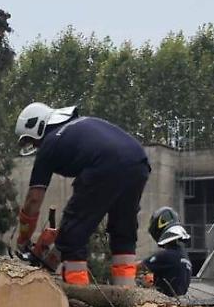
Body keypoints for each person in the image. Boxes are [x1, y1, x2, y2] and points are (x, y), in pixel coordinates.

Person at [14, 102, 150, 286]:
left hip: (105, 164)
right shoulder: (82, 124)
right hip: (138, 162)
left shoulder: (50, 142)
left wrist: (23, 240)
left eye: (32, 141)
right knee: (123, 230)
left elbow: (33, 200)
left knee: (73, 235)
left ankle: (79, 294)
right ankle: (126, 291)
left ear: (37, 127)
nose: (36, 146)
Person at [141, 209, 193, 296]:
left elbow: (139, 267)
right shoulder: (184, 256)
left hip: (163, 299)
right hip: (180, 299)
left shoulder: (166, 256)